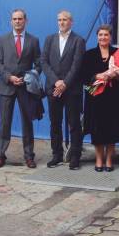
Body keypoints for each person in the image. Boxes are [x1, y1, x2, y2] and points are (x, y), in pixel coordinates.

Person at [0, 9, 42, 168]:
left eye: (20, 19)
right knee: (5, 123)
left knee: (27, 123)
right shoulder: (3, 39)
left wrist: (28, 77)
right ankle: (1, 155)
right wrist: (9, 77)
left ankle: (29, 156)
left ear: (26, 21)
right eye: (15, 19)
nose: (17, 21)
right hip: (7, 86)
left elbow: (39, 64)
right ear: (11, 21)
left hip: (25, 88)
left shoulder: (33, 41)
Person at [81, 25, 119, 172]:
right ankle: (98, 159)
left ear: (110, 37)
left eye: (106, 35)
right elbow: (83, 76)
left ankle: (109, 159)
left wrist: (117, 75)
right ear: (97, 37)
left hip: (114, 98)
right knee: (97, 130)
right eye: (100, 35)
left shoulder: (118, 53)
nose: (103, 37)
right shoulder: (89, 54)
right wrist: (96, 76)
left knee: (112, 129)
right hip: (95, 99)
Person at [41, 11, 86, 170]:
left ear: (71, 22)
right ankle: (57, 155)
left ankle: (75, 156)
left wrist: (65, 83)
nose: (61, 22)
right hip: (53, 88)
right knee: (55, 123)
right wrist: (56, 82)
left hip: (72, 89)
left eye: (65, 20)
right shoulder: (49, 39)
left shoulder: (78, 40)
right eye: (59, 20)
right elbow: (44, 62)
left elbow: (76, 65)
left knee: (74, 124)